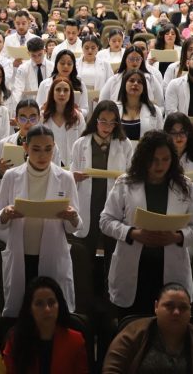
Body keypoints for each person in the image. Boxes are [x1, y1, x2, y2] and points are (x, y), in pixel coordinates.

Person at [101, 131, 193, 317]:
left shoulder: (185, 186)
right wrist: (132, 233)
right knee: (133, 321)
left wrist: (177, 236)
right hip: (134, 265)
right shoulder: (125, 183)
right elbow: (106, 220)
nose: (159, 165)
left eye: (165, 159)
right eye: (154, 160)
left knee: (168, 321)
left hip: (171, 265)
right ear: (143, 159)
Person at [0, 124, 81, 317]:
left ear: (54, 148)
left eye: (48, 149)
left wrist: (72, 216)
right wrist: (5, 214)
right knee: (21, 312)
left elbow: (73, 226)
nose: (43, 155)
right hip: (20, 253)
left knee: (52, 313)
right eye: (36, 149)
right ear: (25, 148)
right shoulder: (11, 176)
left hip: (53, 253)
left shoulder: (65, 178)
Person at [103, 283, 193, 373]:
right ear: (156, 307)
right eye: (169, 306)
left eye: (183, 308)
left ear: (190, 311)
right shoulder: (133, 333)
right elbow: (112, 370)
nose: (176, 312)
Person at [70, 101, 133, 266]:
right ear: (95, 120)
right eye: (103, 121)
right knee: (86, 255)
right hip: (89, 205)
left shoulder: (124, 144)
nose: (107, 126)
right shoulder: (81, 144)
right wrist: (74, 177)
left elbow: (132, 176)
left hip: (113, 205)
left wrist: (126, 179)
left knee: (113, 255)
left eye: (112, 122)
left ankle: (108, 284)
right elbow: (71, 176)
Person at [3, 276, 89, 374]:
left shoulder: (76, 341)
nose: (47, 309)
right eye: (39, 304)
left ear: (59, 305)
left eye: (51, 303)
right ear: (30, 309)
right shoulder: (15, 339)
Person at [41, 77, 86, 167]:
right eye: (58, 90)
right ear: (52, 93)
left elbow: (84, 144)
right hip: (47, 166)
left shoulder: (78, 117)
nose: (62, 94)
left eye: (66, 90)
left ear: (70, 94)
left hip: (72, 167)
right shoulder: (42, 117)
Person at [37, 50, 89, 118]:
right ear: (56, 64)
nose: (66, 66)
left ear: (73, 66)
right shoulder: (44, 84)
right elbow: (38, 107)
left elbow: (85, 109)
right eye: (62, 63)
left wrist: (77, 111)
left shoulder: (80, 84)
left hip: (72, 120)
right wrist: (44, 108)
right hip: (50, 120)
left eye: (69, 64)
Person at [117, 69, 164, 139]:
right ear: (124, 84)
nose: (135, 84)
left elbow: (161, 138)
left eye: (140, 82)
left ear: (144, 87)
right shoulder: (115, 109)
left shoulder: (155, 111)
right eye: (132, 80)